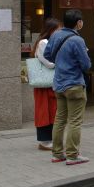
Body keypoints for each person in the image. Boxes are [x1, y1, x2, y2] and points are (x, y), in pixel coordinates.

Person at [44, 9, 92, 165]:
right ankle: (72, 155)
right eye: (81, 21)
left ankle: (57, 154)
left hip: (58, 83)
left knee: (59, 120)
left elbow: (47, 55)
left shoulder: (56, 34)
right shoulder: (78, 40)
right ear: (78, 23)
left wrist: (61, 60)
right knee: (75, 121)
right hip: (74, 84)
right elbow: (86, 65)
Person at [32, 18, 62, 151]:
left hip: (50, 82)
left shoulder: (50, 42)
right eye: (57, 29)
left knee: (51, 110)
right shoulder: (43, 42)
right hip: (44, 83)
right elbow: (48, 62)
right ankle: (44, 142)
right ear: (50, 30)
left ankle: (49, 140)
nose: (59, 31)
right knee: (45, 110)